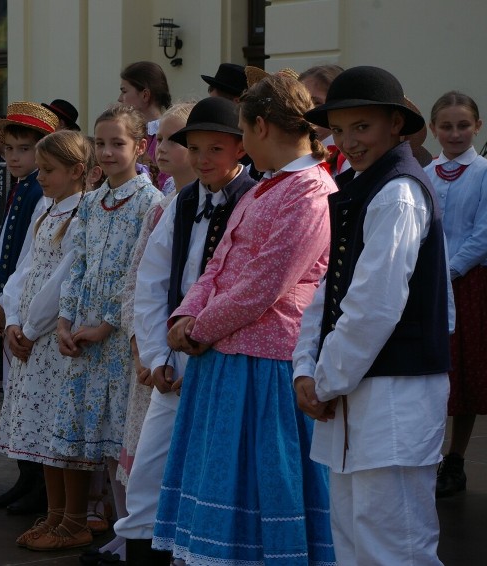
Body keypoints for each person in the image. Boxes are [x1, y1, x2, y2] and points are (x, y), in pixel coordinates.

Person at [159, 72, 336, 565]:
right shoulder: (265, 188)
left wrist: (198, 328)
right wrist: (187, 311)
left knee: (266, 480)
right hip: (223, 355)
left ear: (259, 126)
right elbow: (218, 262)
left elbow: (264, 285)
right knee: (222, 476)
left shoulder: (310, 192)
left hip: (267, 362)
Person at [295, 66, 451, 565]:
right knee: (354, 537)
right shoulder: (359, 186)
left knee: (395, 544)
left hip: (392, 395)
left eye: (361, 127)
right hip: (353, 390)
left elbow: (374, 306)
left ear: (394, 125)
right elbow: (328, 286)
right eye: (339, 130)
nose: (349, 141)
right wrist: (305, 366)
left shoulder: (398, 192)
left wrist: (325, 380)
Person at [114, 97, 256, 565]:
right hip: (173, 366)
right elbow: (152, 284)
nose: (202, 159)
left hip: (225, 360)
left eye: (215, 148)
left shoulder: (252, 200)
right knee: (149, 470)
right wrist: (156, 357)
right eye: (194, 148)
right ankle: (142, 548)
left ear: (240, 149)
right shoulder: (181, 202)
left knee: (214, 472)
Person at [47, 104, 162, 550]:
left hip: (118, 339)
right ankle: (117, 526)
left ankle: (130, 529)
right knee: (99, 441)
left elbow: (141, 273)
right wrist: (65, 317)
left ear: (139, 146)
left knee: (122, 442)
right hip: (84, 331)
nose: (108, 151)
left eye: (118, 143)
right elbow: (78, 263)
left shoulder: (149, 202)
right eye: (101, 143)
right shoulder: (92, 202)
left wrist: (109, 324)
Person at [99, 101, 195, 564]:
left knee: (177, 458)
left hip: (183, 353)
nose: (164, 148)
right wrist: (144, 347)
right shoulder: (172, 200)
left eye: (177, 139)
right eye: (164, 137)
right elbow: (140, 278)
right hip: (153, 351)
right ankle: (137, 537)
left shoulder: (173, 200)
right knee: (144, 459)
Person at [0, 129, 88, 549]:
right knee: (43, 433)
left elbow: (63, 279)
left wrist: (29, 329)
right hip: (30, 334)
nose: (41, 176)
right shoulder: (47, 209)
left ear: (77, 171)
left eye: (49, 170)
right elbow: (25, 268)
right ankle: (52, 514)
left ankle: (74, 518)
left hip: (51, 337)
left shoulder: (82, 213)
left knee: (61, 431)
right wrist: (11, 317)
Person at [0, 102, 58, 515]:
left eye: (24, 149)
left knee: (29, 399)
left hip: (29, 311)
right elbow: (5, 250)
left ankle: (37, 485)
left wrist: (5, 306)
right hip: (13, 305)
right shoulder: (22, 187)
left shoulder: (37, 193)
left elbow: (27, 257)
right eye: (8, 148)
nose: (13, 157)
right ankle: (24, 478)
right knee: (17, 398)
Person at [424, 92, 487, 497]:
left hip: (468, 283)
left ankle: (456, 458)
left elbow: (484, 234)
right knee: (432, 371)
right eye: (446, 126)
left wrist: (447, 270)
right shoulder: (425, 173)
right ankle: (426, 454)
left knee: (463, 373)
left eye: (463, 125)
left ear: (477, 127)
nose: (454, 133)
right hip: (429, 283)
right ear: (433, 129)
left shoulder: (485, 172)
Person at [119, 61, 172, 189]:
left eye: (124, 91)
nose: (120, 98)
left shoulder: (166, 135)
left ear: (145, 95)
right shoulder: (131, 133)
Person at [299, 64, 349, 175]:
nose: (305, 111)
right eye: (300, 102)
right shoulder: (295, 154)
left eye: (316, 103)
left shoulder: (350, 158)